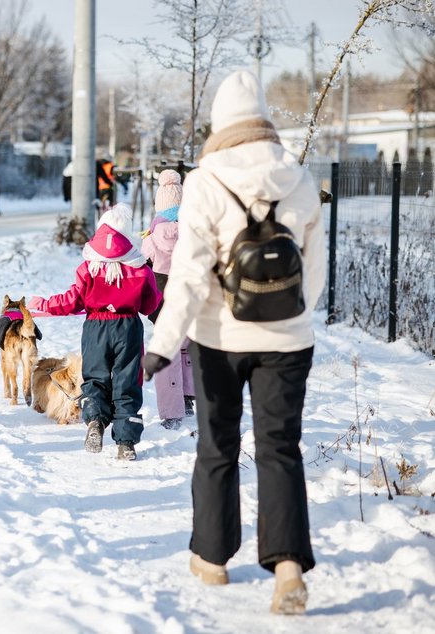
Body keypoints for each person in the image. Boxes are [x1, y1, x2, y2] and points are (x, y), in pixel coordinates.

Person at [144, 71, 325, 615]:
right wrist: (289, 319)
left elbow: (190, 277)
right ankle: (288, 566)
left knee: (217, 446)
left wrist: (162, 343)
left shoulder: (204, 182)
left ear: (221, 123)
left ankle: (213, 558)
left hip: (218, 339)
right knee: (279, 449)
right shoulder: (301, 178)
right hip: (289, 342)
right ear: (264, 118)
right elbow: (313, 274)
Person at [28, 204, 161, 461]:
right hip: (128, 328)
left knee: (95, 379)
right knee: (127, 382)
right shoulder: (140, 268)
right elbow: (149, 305)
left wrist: (43, 305)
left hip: (95, 329)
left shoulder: (88, 268)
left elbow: (71, 301)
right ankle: (126, 444)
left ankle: (95, 422)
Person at [141, 169, 194, 430]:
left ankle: (172, 413)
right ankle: (189, 399)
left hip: (161, 301)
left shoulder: (151, 238)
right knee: (189, 347)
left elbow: (141, 266)